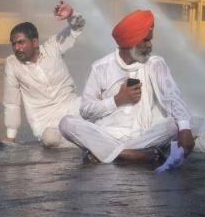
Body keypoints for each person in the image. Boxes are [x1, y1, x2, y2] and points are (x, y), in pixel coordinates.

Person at [59, 9, 195, 164]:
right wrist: (117, 100)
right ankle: (130, 154)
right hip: (107, 134)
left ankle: (112, 153)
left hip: (143, 135)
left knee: (175, 125)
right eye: (145, 40)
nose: (150, 45)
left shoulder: (155, 64)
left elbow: (172, 96)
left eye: (150, 40)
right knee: (66, 123)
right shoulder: (100, 67)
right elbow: (86, 111)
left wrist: (185, 129)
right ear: (130, 43)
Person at [2, 1, 85, 147]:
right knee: (51, 139)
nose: (17, 48)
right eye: (14, 44)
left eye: (21, 42)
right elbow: (11, 103)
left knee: (101, 103)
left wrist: (71, 14)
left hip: (74, 108)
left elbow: (78, 27)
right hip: (47, 124)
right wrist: (10, 137)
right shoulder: (12, 64)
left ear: (35, 42)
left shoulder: (53, 47)